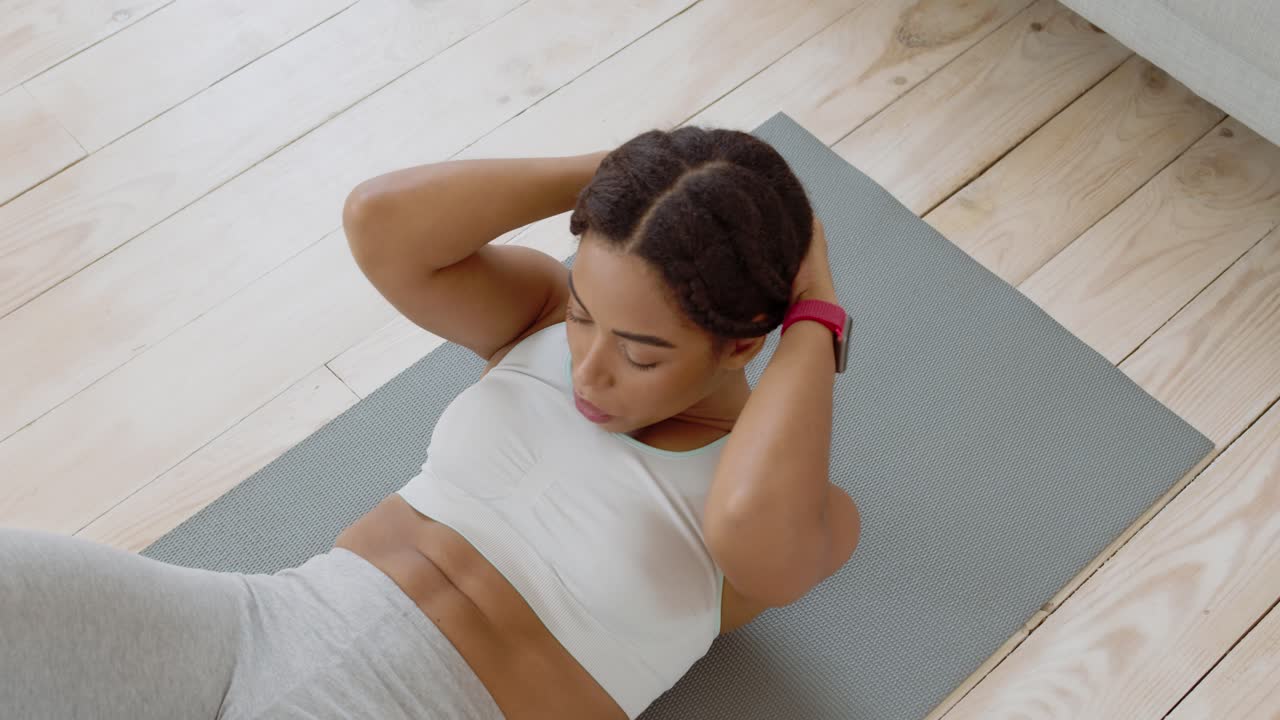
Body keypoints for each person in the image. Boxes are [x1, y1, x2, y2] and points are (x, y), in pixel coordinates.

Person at [0, 126, 861, 719]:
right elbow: (380, 223)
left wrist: (816, 313)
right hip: (257, 626)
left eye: (639, 355)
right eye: (584, 314)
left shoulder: (791, 515)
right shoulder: (534, 320)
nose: (587, 369)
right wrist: (642, 180)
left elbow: (749, 518)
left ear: (743, 343)